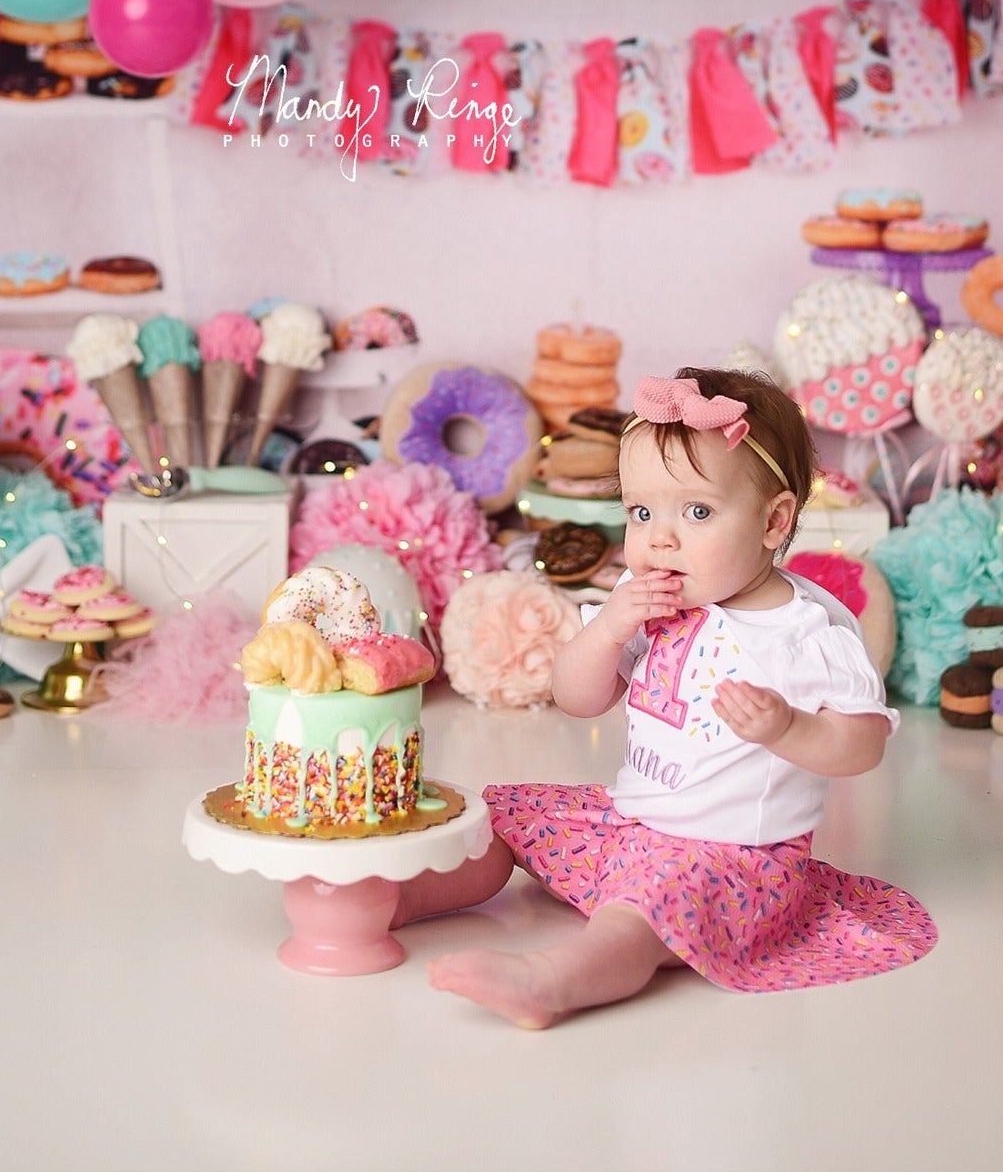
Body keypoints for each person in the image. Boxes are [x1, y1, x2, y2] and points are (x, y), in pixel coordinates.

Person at [397, 366, 936, 1026]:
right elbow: (577, 698)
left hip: (731, 863)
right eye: (641, 512)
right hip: (632, 827)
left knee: (638, 914)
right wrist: (609, 629)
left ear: (773, 521)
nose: (659, 538)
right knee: (503, 816)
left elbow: (862, 746)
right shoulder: (643, 599)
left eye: (697, 512)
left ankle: (552, 981)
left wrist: (788, 729)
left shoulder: (804, 632)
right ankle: (405, 900)